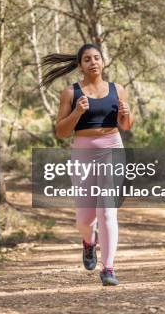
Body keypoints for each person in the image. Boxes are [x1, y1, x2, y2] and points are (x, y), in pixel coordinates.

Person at [40, 43, 134, 286]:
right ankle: (89, 242)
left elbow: (126, 126)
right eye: (87, 59)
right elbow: (61, 132)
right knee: (84, 218)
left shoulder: (118, 89)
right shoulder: (71, 93)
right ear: (80, 65)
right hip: (83, 151)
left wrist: (127, 113)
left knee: (107, 211)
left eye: (96, 58)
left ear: (103, 62)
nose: (93, 62)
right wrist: (77, 113)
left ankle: (109, 268)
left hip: (112, 148)